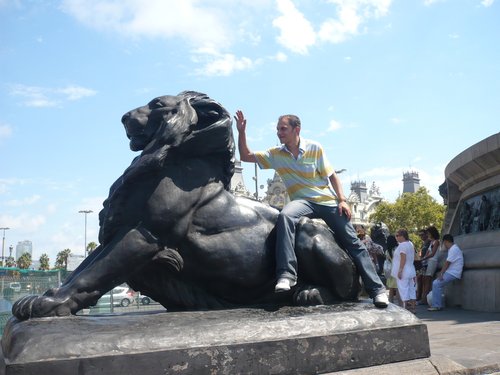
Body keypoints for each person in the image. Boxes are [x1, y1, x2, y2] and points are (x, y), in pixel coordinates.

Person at [234, 111, 388, 308]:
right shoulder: (276, 154)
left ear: (296, 129)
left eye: (283, 129)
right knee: (286, 216)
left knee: (352, 242)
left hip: (327, 201)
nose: (279, 133)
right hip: (302, 202)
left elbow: (332, 177)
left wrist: (342, 200)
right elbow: (246, 156)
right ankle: (287, 275)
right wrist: (241, 132)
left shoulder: (315, 148)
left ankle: (377, 290)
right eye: (278, 129)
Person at [428, 234, 464, 311]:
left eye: (444, 243)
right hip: (452, 272)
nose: (444, 245)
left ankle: (437, 305)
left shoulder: (453, 249)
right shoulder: (454, 248)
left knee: (436, 283)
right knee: (437, 284)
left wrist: (441, 274)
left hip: (453, 273)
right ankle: (438, 304)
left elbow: (447, 263)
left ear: (446, 241)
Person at [391, 229, 417, 313]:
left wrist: (400, 270)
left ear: (402, 236)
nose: (396, 237)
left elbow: (403, 258)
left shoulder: (402, 245)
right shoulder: (410, 244)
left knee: (403, 289)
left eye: (397, 235)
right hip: (411, 269)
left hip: (404, 270)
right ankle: (413, 307)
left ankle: (405, 308)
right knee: (411, 289)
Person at [418, 225, 440, 305]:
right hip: (428, 261)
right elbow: (428, 252)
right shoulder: (431, 242)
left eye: (428, 233)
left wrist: (424, 258)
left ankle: (424, 299)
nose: (427, 235)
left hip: (433, 261)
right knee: (425, 279)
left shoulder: (436, 242)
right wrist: (423, 258)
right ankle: (424, 298)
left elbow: (433, 253)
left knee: (427, 279)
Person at [415, 229, 430, 303]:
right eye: (420, 235)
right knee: (419, 279)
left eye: (422, 235)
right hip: (422, 263)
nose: (421, 236)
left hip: (427, 263)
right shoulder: (423, 243)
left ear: (426, 234)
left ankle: (421, 297)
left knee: (422, 279)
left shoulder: (429, 242)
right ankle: (418, 296)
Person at [384, 235, 399, 305]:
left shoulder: (387, 251)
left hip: (390, 271)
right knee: (398, 288)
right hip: (397, 269)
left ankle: (390, 302)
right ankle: (400, 303)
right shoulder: (397, 249)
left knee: (391, 288)